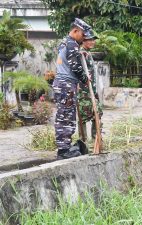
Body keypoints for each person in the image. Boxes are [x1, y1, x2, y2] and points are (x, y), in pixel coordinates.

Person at [53, 18, 91, 160]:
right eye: (83, 35)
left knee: (65, 114)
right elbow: (75, 67)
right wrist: (85, 79)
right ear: (75, 31)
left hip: (63, 83)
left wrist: (80, 54)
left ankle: (65, 147)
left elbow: (69, 60)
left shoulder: (66, 42)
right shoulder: (71, 44)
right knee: (66, 117)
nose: (84, 38)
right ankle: (63, 151)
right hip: (66, 84)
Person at [77, 29, 103, 141]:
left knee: (97, 113)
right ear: (83, 41)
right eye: (89, 40)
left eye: (93, 40)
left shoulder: (88, 53)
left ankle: (95, 138)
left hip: (92, 90)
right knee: (83, 115)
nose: (92, 42)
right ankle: (83, 140)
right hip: (84, 91)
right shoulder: (81, 53)